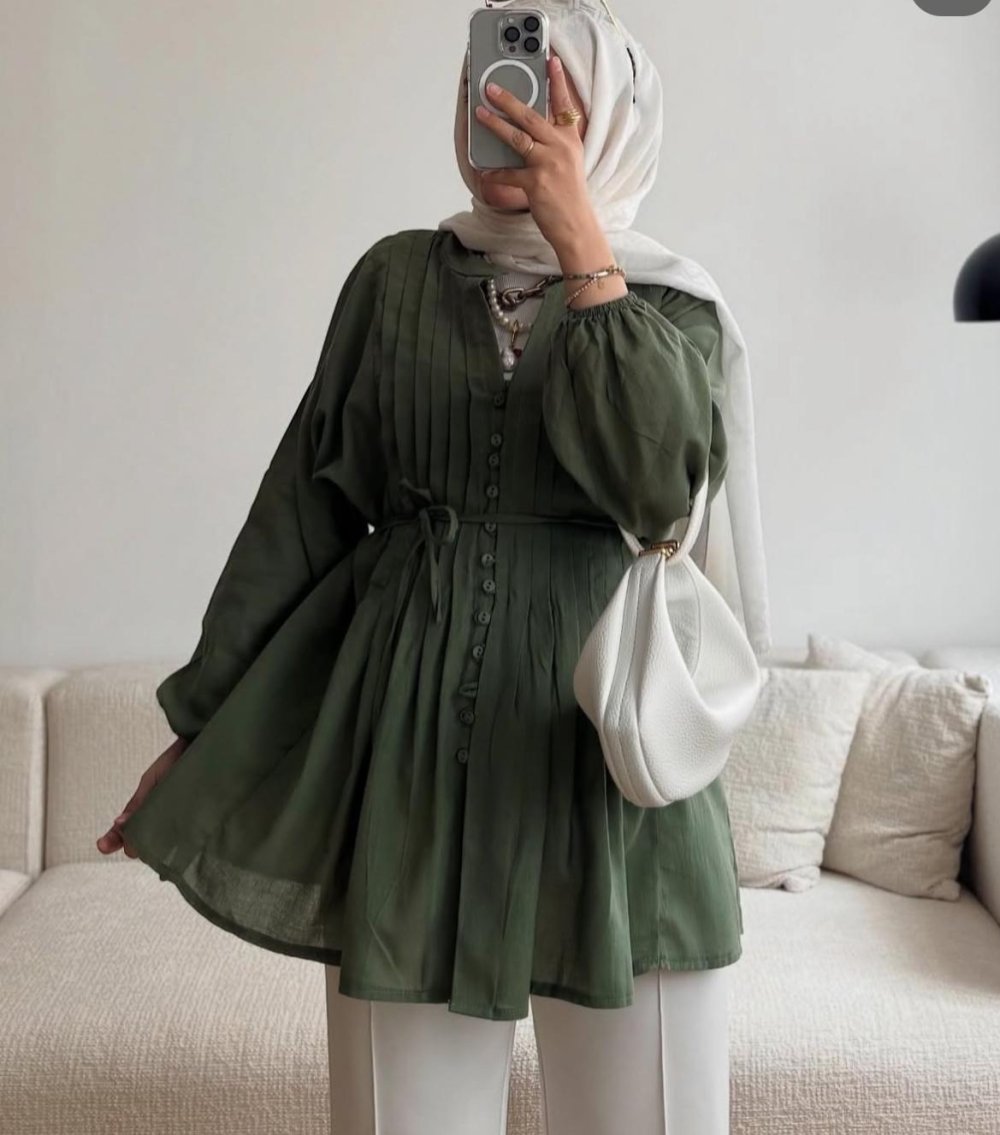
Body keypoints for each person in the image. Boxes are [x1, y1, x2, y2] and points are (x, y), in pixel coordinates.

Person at [98, 2, 770, 1132]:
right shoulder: (394, 279)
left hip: (610, 763)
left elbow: (659, 493)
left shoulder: (671, 306)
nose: (496, 108)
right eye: (479, 84)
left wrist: (583, 252)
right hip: (410, 755)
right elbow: (303, 510)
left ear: (611, 117)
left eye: (538, 89)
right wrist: (199, 725)